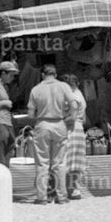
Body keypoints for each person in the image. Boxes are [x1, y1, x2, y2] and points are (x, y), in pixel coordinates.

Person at [27, 64, 77, 205]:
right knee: (59, 163)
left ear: (42, 74)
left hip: (42, 124)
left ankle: (42, 197)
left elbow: (31, 114)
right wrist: (71, 117)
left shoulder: (35, 89)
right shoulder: (63, 86)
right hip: (59, 124)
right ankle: (62, 196)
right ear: (55, 74)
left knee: (42, 163)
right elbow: (74, 104)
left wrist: (40, 113)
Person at [62, 74, 87, 200]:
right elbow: (85, 117)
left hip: (71, 129)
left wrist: (59, 121)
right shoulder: (80, 94)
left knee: (67, 158)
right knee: (76, 160)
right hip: (79, 128)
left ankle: (65, 189)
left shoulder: (73, 97)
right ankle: (75, 189)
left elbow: (72, 117)